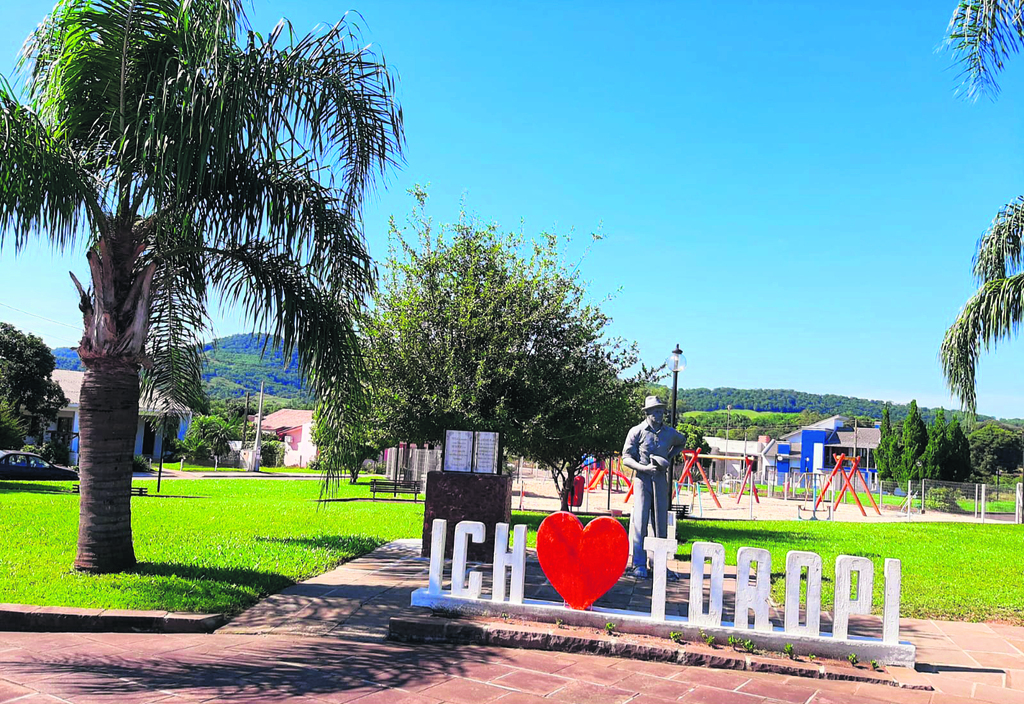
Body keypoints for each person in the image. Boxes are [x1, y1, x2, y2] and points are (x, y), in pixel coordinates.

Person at [621, 395, 687, 579]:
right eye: (656, 411)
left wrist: (668, 456)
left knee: (661, 524)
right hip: (642, 480)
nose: (660, 414)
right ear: (648, 413)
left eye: (661, 410)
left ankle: (659, 564)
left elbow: (682, 441)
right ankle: (639, 564)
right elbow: (626, 457)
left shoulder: (669, 432)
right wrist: (644, 468)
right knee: (640, 522)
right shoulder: (637, 431)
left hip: (660, 480)